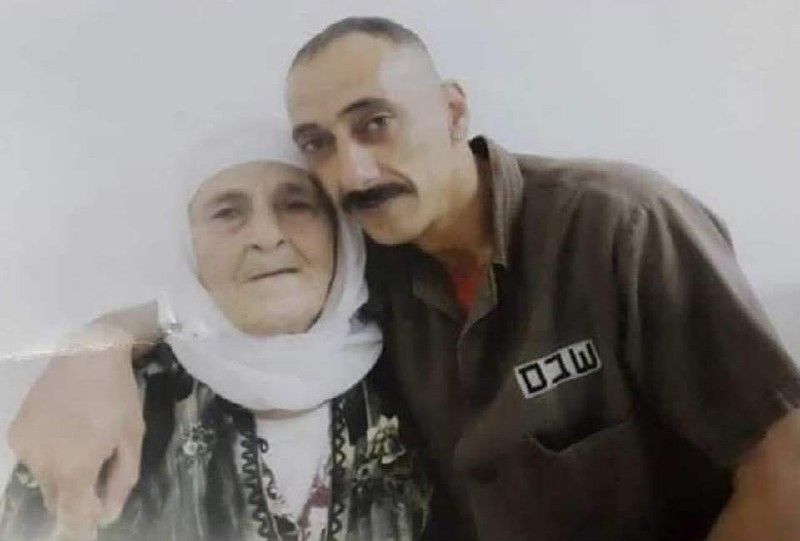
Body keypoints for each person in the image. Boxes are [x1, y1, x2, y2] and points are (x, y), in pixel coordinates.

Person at [9, 16, 800, 541]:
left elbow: (786, 473)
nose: (352, 170)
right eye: (318, 143)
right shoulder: (369, 274)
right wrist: (97, 345)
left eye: (376, 123)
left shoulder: (619, 226)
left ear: (453, 112)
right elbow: (237, 294)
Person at [0, 119, 433, 541]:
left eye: (296, 204)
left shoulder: (421, 377)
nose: (266, 236)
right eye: (227, 212)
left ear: (341, 234)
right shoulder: (105, 404)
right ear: (187, 248)